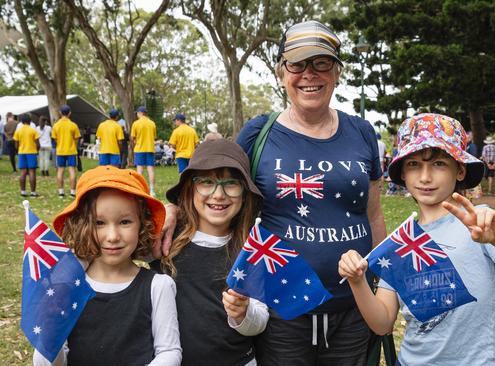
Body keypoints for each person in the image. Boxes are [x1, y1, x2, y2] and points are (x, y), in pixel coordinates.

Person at [159, 20, 387, 366]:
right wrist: (175, 206)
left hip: (352, 307)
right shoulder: (258, 133)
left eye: (321, 63)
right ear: (282, 73)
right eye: (297, 64)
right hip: (282, 308)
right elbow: (216, 174)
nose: (309, 74)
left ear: (337, 72)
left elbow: (373, 215)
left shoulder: (362, 132)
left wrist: (378, 285)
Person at [338, 113, 495, 366]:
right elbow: (382, 323)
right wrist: (357, 282)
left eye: (439, 164)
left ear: (460, 169)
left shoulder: (482, 222)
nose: (425, 177)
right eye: (413, 165)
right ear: (402, 174)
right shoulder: (399, 242)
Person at [33, 166, 182, 365]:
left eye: (125, 222)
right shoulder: (68, 288)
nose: (112, 236)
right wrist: (50, 334)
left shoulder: (158, 286)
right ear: (81, 226)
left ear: (142, 224)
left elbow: (169, 352)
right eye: (99, 223)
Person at [151, 139, 268, 365]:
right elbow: (112, 248)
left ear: (244, 194)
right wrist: (166, 211)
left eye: (231, 183)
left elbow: (260, 319)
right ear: (190, 188)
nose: (218, 194)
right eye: (206, 182)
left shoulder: (252, 248)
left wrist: (243, 313)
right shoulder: (166, 239)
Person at [51, 105, 81, 198]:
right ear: (70, 113)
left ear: (60, 113)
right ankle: (72, 192)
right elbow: (76, 139)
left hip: (60, 151)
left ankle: (61, 192)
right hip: (71, 151)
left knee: (60, 170)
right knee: (72, 170)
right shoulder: (73, 125)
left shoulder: (56, 125)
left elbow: (55, 139)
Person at [131, 106, 157, 196]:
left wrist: (136, 141)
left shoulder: (136, 123)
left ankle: (140, 189)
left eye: (137, 113)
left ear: (140, 113)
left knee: (140, 170)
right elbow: (154, 137)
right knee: (151, 170)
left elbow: (133, 138)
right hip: (150, 148)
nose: (137, 115)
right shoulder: (152, 123)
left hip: (139, 149)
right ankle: (152, 191)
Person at [13, 115, 41, 197]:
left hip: (22, 152)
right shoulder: (33, 130)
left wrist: (19, 150)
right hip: (31, 152)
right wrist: (36, 151)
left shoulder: (18, 131)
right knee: (32, 172)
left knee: (23, 172)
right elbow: (38, 144)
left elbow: (16, 144)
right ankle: (33, 192)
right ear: (30, 121)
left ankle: (23, 191)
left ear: (21, 122)